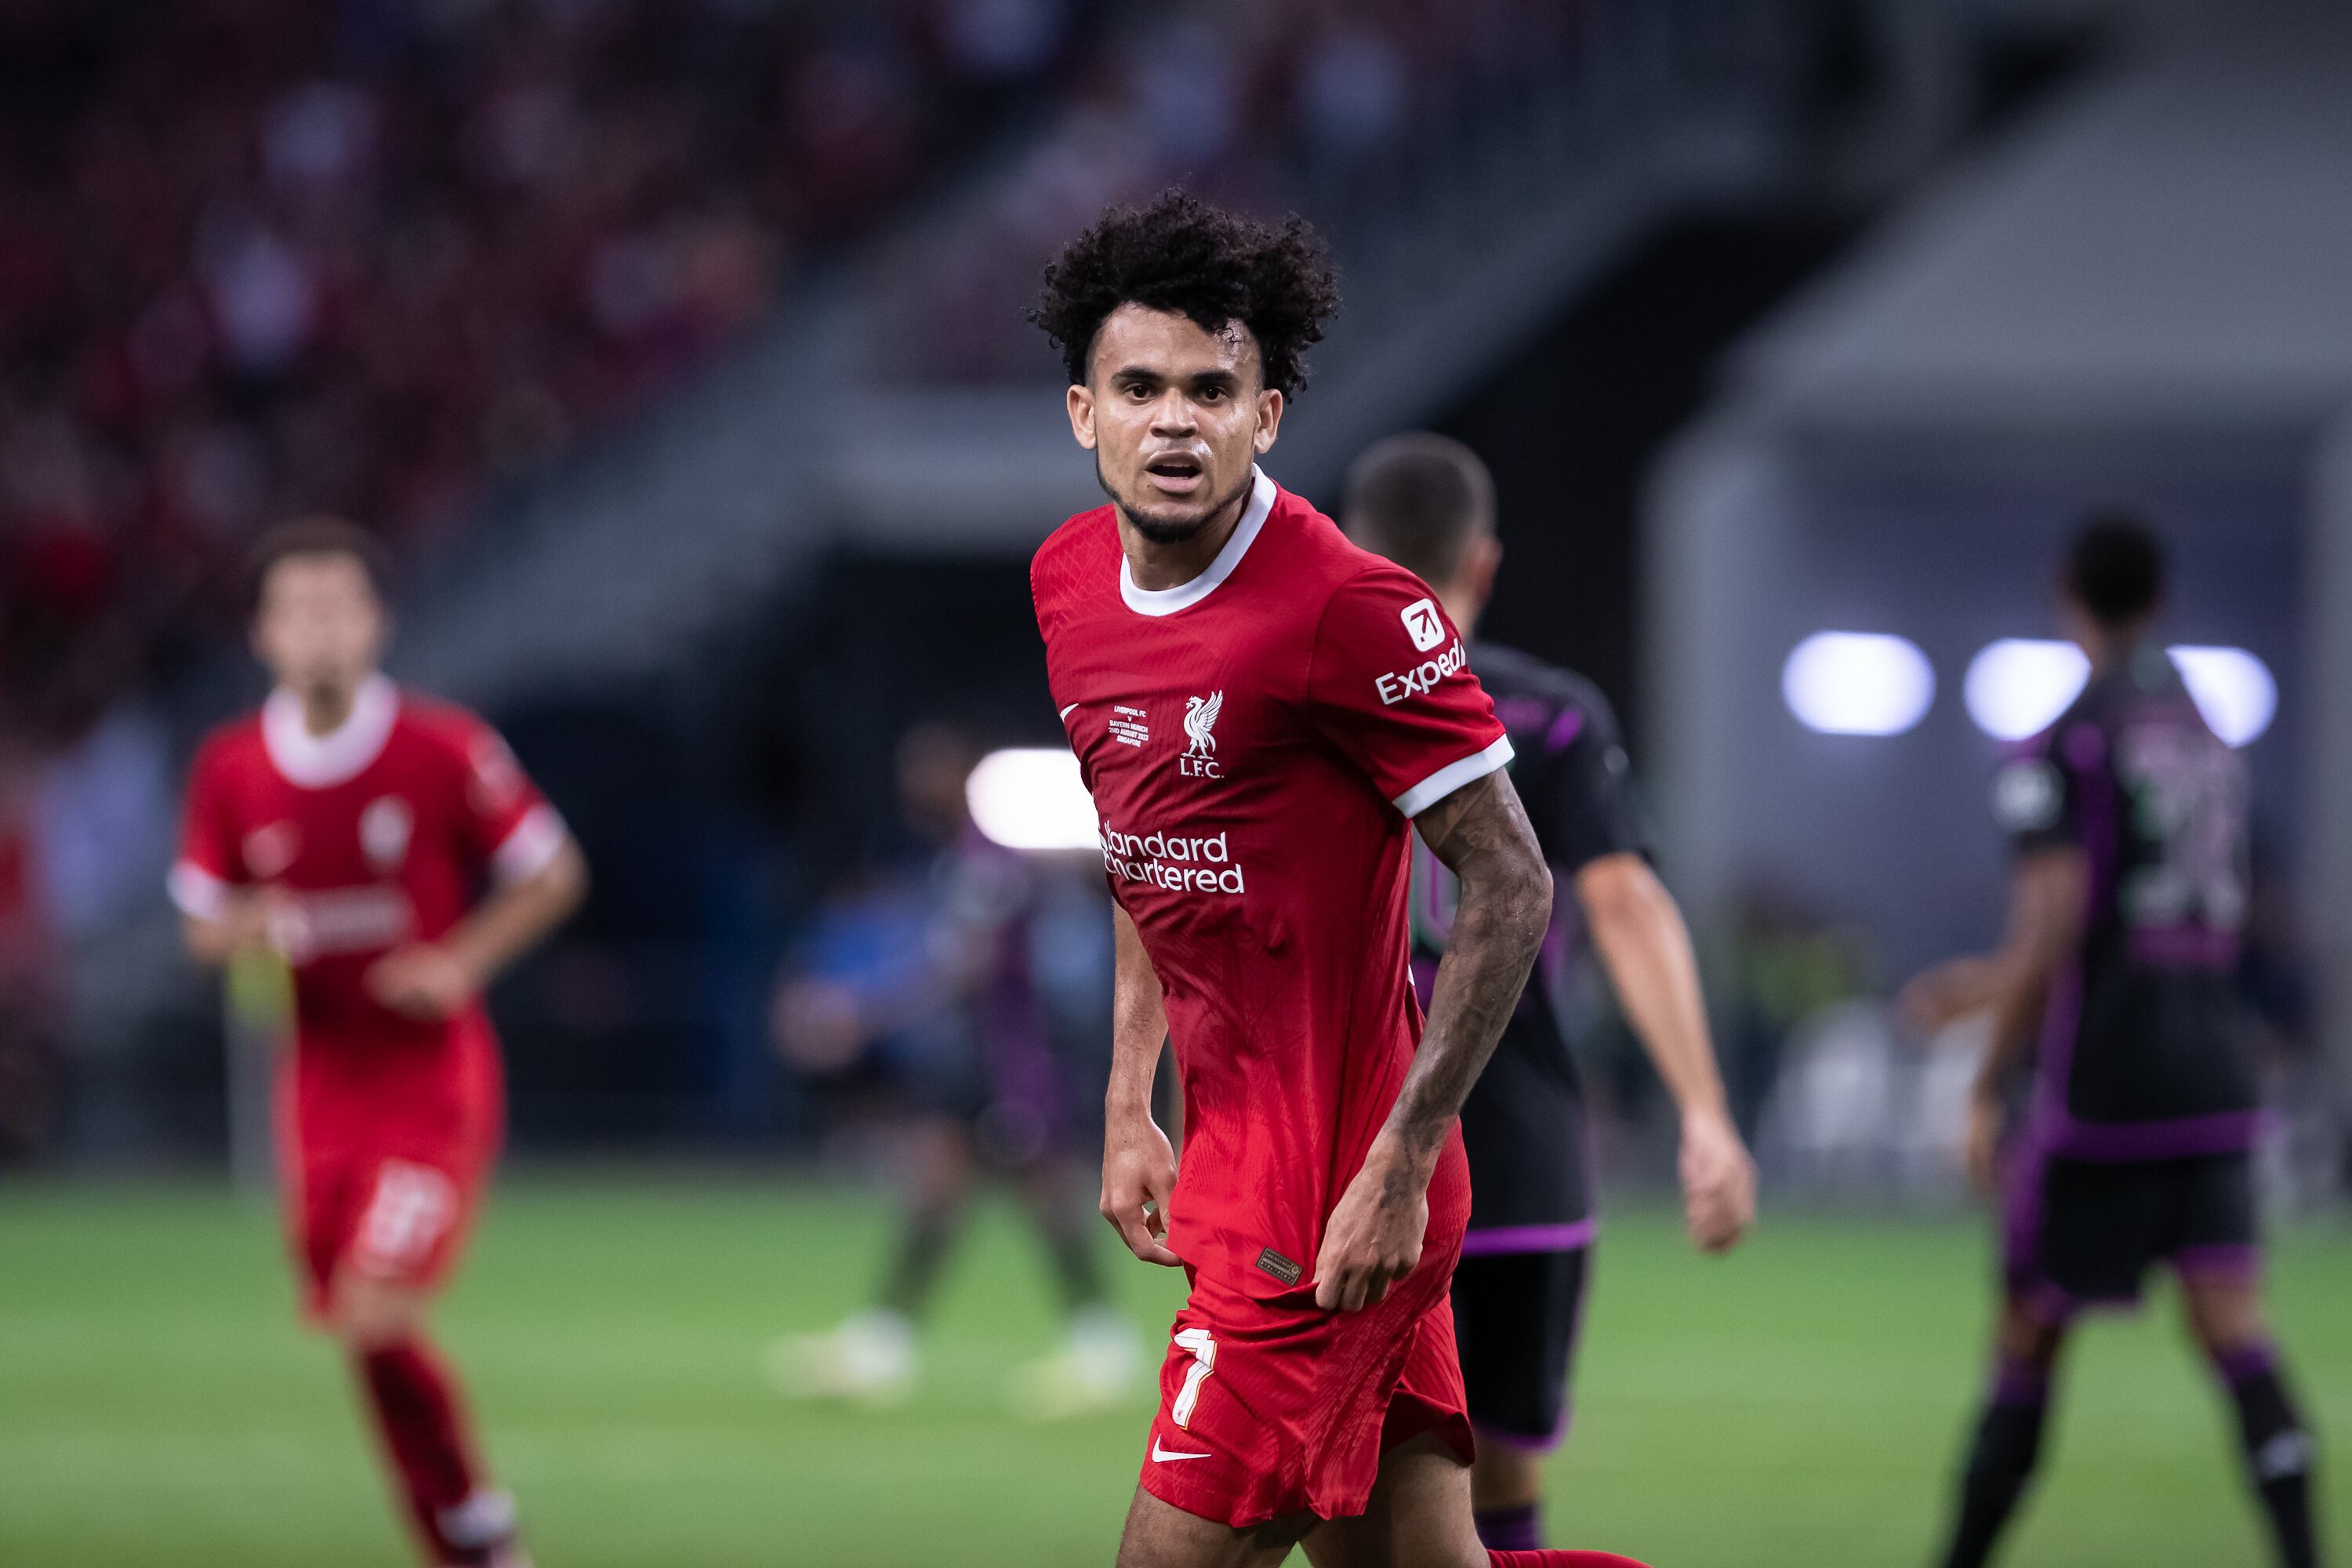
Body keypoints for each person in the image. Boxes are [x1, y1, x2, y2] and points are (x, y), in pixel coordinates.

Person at [1029, 188, 1649, 1568]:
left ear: (1269, 413)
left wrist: (1403, 1161)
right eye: (1139, 386)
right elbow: (1146, 848)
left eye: (1212, 388)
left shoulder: (1351, 609)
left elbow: (1515, 884)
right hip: (1234, 1174)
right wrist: (1130, 1100)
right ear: (1085, 413)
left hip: (1327, 1207)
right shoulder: (1069, 585)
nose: (1174, 419)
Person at [1342, 433, 1755, 1552]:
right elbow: (1626, 908)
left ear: (1349, 555)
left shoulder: (1312, 709)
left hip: (1347, 1155)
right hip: (1516, 1150)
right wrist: (1706, 1116)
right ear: (1482, 562)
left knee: (1341, 1498)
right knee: (1503, 1500)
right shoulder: (1549, 715)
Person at [1904, 515, 2321, 1568]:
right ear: (2162, 600)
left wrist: (1982, 1080)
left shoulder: (2067, 739)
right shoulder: (2208, 733)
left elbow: (2054, 927)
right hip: (2217, 1068)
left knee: (2029, 1335)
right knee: (2236, 1329)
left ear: (2065, 594)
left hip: (2109, 1084)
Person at [170, 517, 587, 1568]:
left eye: (338, 607)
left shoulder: (442, 747)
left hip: (429, 1087)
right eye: (297, 611)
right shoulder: (231, 769)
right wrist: (241, 934)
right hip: (314, 1094)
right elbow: (200, 922)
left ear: (376, 622)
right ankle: (460, 1534)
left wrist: (459, 963)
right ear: (264, 634)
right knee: (358, 1330)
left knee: (376, 1311)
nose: (319, 630)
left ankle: (478, 1535)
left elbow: (550, 871)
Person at [768, 722, 1140, 1417]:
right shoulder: (967, 854)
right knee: (937, 1188)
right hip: (971, 1058)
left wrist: (863, 1013)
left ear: (967, 773)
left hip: (1011, 1058)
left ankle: (1101, 1346)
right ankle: (885, 1344)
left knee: (1046, 1194)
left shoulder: (992, 855)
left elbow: (965, 963)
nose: (917, 782)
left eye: (932, 767)